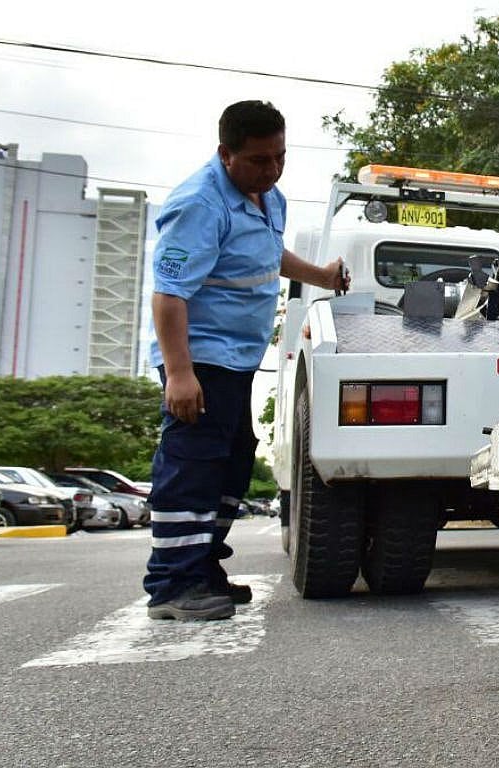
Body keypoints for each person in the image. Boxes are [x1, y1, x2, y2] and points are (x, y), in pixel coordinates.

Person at [144, 100, 347, 620]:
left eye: (280, 156)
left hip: (235, 361)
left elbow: (267, 252)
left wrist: (320, 276)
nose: (272, 169)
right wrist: (181, 373)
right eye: (259, 160)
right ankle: (172, 585)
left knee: (232, 462)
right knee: (193, 464)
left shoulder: (266, 196)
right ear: (225, 154)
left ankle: (202, 566)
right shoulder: (199, 204)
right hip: (200, 358)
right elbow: (168, 294)